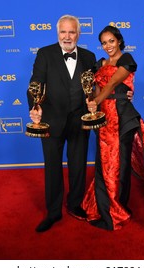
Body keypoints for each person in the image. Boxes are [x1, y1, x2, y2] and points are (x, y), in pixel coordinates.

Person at [82, 26, 144, 253]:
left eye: (111, 41)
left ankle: (115, 208)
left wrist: (96, 100)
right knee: (104, 162)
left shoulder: (127, 59)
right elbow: (95, 86)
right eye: (104, 42)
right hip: (102, 119)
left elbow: (111, 84)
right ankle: (103, 204)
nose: (108, 46)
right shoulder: (99, 63)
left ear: (119, 41)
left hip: (121, 117)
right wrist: (92, 101)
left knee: (119, 163)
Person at [27, 15, 96, 232]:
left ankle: (75, 204)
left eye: (72, 32)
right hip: (51, 119)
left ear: (79, 34)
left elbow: (96, 88)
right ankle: (53, 211)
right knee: (53, 167)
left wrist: (124, 94)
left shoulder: (89, 56)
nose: (67, 36)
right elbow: (35, 84)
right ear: (57, 33)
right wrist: (34, 106)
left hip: (79, 119)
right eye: (63, 32)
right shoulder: (45, 54)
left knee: (78, 165)